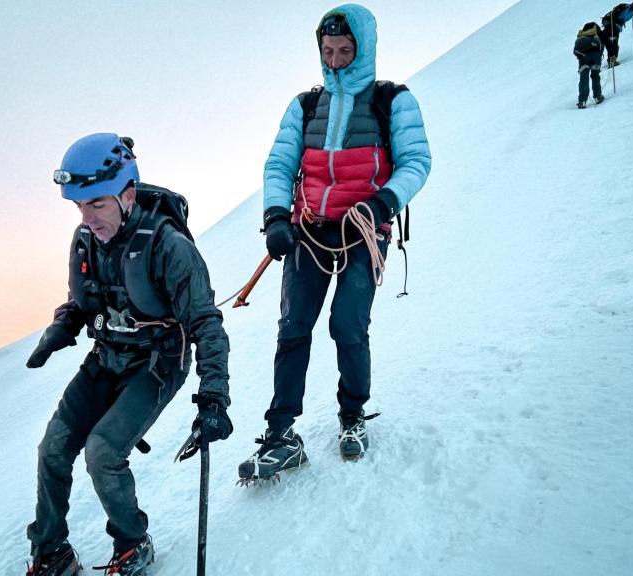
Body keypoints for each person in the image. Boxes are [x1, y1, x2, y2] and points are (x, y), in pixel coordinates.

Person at [238, 4, 431, 483]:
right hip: (309, 230)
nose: (338, 60)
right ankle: (281, 436)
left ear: (364, 50)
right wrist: (276, 215)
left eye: (346, 51)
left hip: (363, 232)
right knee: (293, 328)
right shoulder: (304, 106)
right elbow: (280, 164)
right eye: (329, 52)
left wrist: (383, 202)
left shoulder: (393, 101)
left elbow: (416, 162)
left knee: (347, 324)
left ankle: (353, 416)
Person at [24, 133, 232, 576]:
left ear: (127, 194)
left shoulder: (168, 246)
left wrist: (214, 395)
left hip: (157, 364)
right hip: (107, 358)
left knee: (102, 451)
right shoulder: (84, 241)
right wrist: (63, 326)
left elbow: (206, 323)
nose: (87, 217)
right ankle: (51, 550)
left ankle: (132, 542)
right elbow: (83, 302)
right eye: (79, 205)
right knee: (53, 448)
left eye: (96, 203)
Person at [598, 1, 633, 67]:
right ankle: (612, 61)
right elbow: (624, 17)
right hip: (614, 27)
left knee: (606, 42)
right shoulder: (629, 9)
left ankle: (597, 61)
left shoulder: (626, 7)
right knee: (613, 44)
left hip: (610, 25)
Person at [574, 22, 605, 109]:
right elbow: (601, 47)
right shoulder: (595, 36)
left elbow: (575, 52)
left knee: (584, 79)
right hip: (595, 60)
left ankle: (582, 101)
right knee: (595, 76)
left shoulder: (580, 37)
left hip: (583, 61)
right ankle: (598, 97)